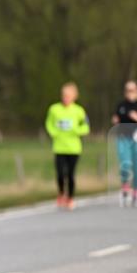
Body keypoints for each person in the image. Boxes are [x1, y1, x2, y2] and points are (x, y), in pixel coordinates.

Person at [44, 82, 90, 210]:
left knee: (70, 174)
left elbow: (86, 127)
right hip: (59, 146)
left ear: (74, 96)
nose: (66, 98)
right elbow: (49, 123)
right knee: (60, 173)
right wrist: (53, 133)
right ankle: (60, 193)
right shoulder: (54, 109)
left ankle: (70, 197)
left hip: (74, 148)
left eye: (68, 95)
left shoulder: (79, 111)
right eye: (64, 95)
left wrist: (77, 130)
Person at [111, 81, 137, 206]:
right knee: (125, 164)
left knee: (136, 166)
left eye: (132, 90)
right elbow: (116, 119)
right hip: (123, 138)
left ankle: (136, 190)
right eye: (127, 90)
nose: (130, 93)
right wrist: (115, 120)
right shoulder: (121, 105)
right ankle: (125, 184)